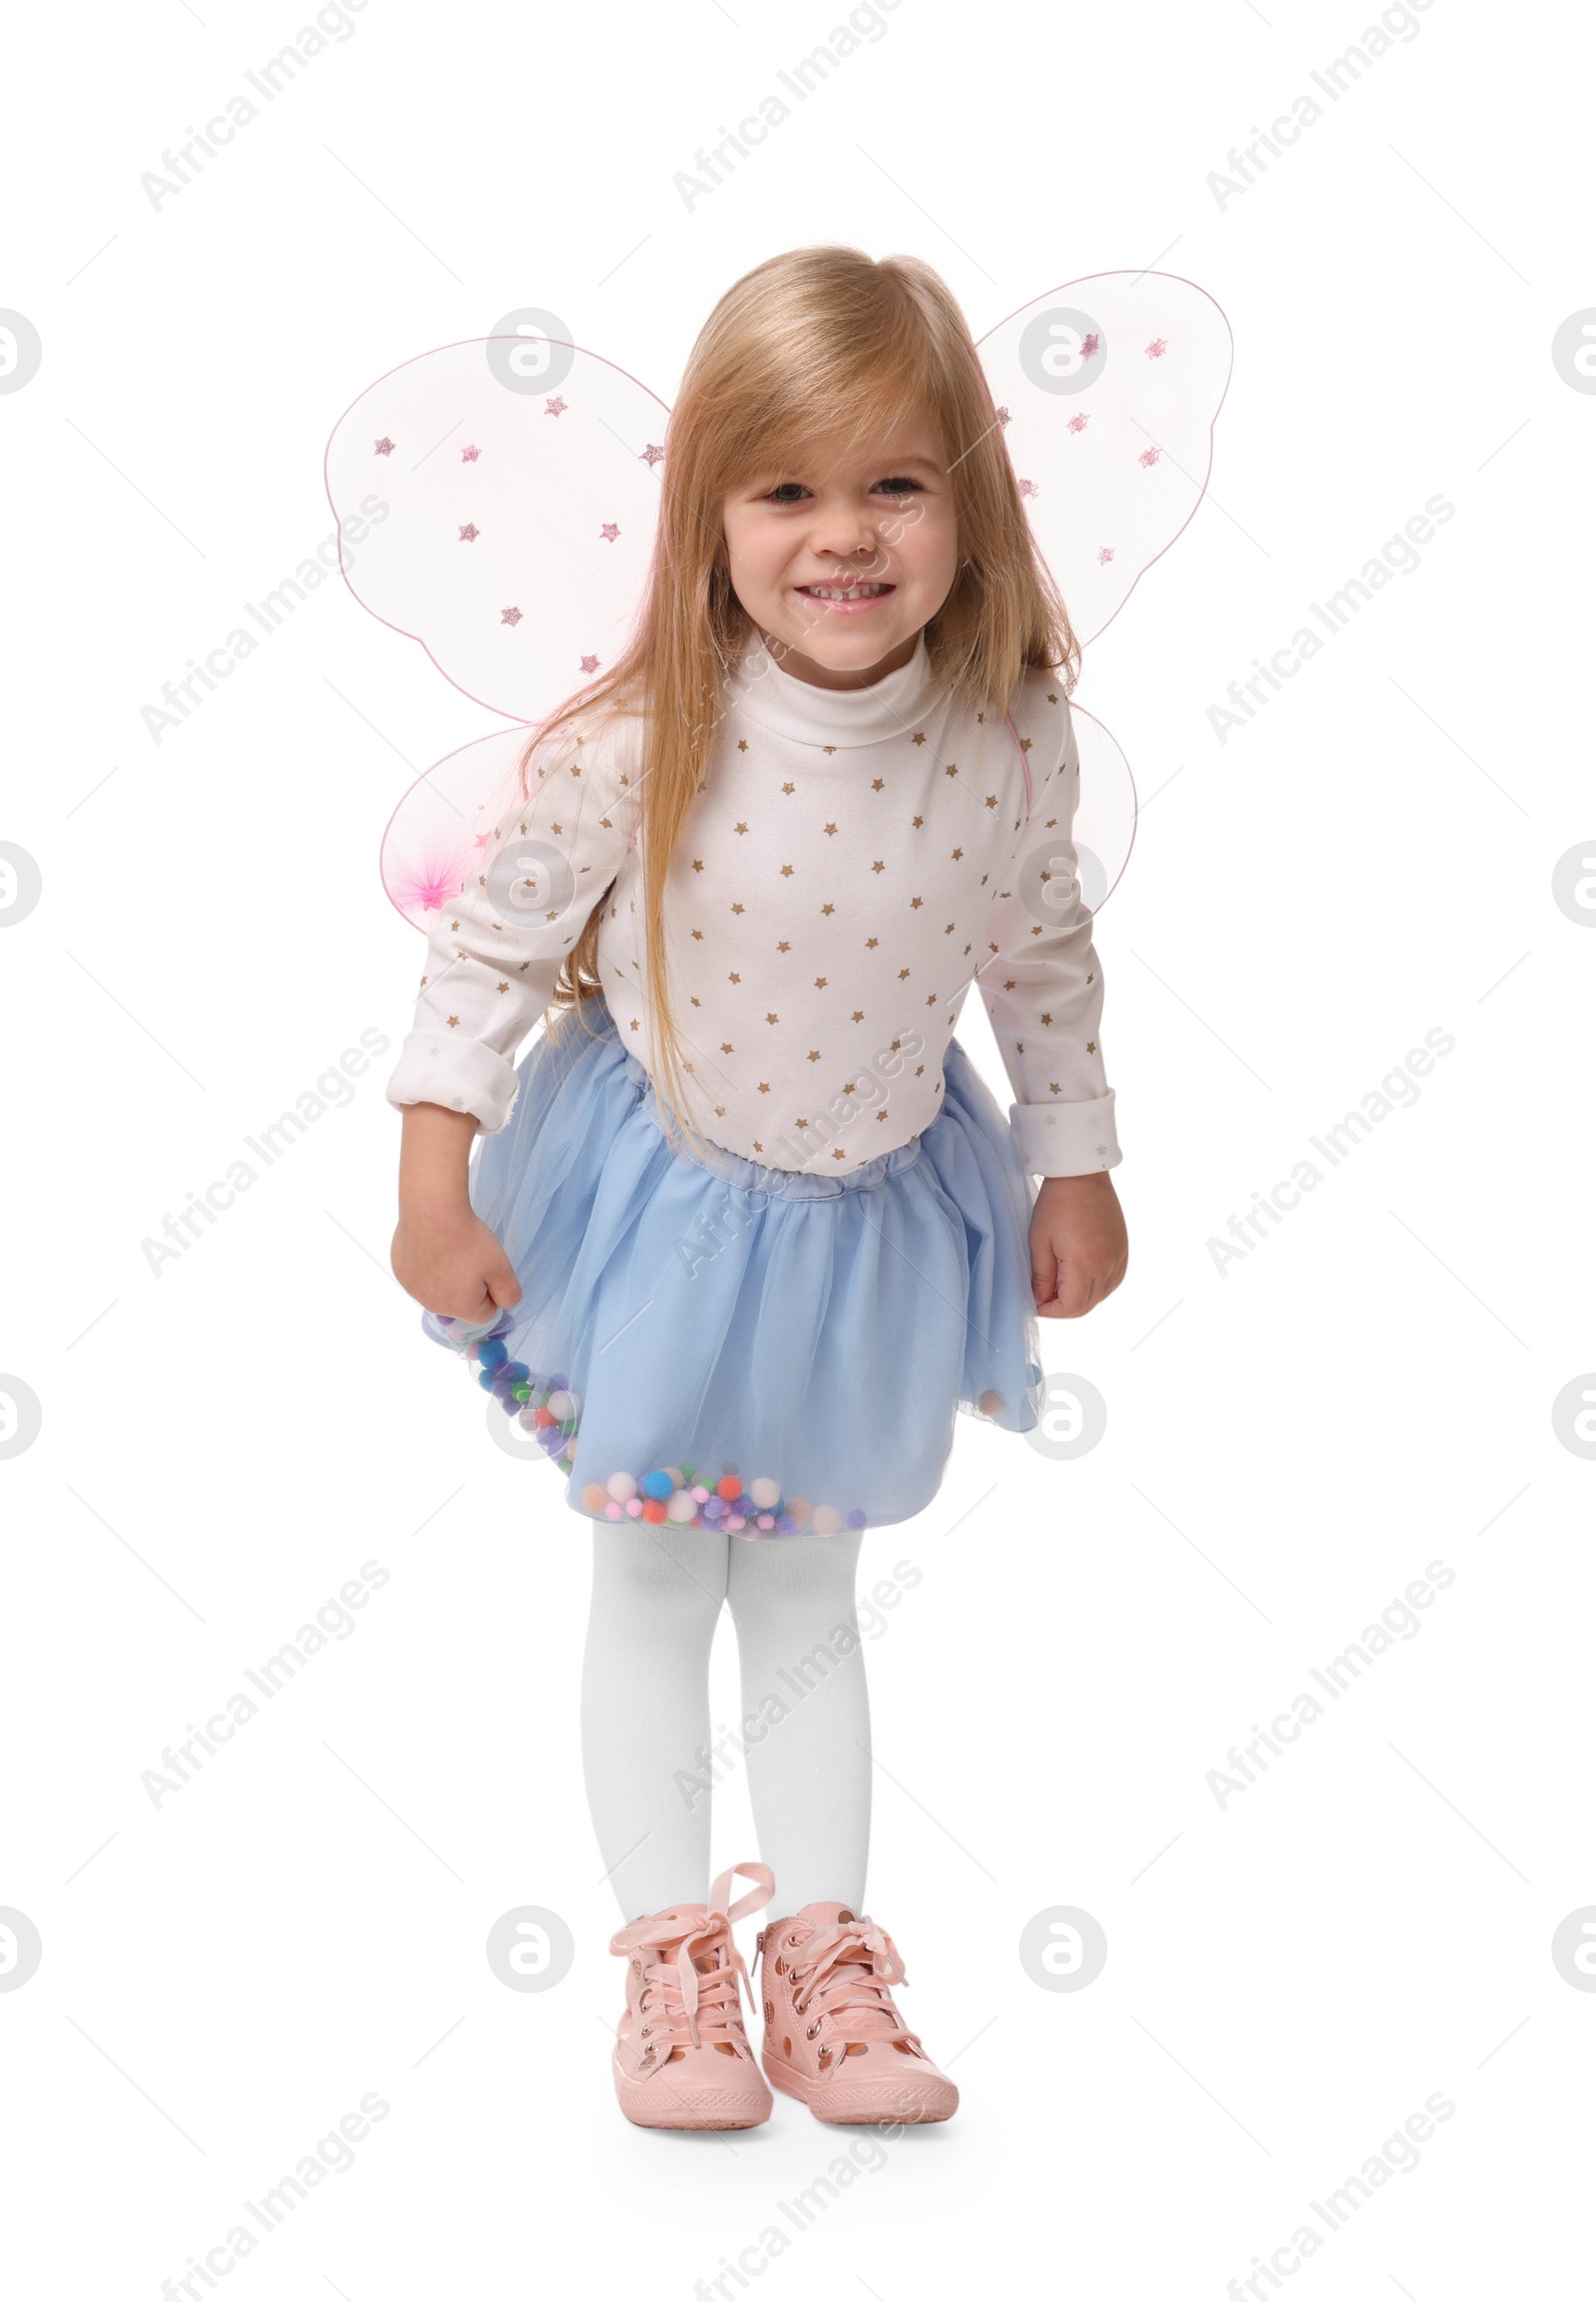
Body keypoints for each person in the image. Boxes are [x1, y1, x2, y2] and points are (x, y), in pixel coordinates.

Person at [386, 246, 1128, 2129]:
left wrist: (1081, 1157)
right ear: (707, 512)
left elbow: (1040, 957)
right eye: (786, 488)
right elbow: (483, 958)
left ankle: (827, 1960)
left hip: (869, 1220)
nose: (844, 535)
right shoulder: (648, 742)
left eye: (895, 482)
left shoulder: (1013, 739)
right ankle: (669, 1969)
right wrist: (432, 1177)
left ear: (971, 497)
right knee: (654, 1574)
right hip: (662, 1214)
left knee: (807, 1589)